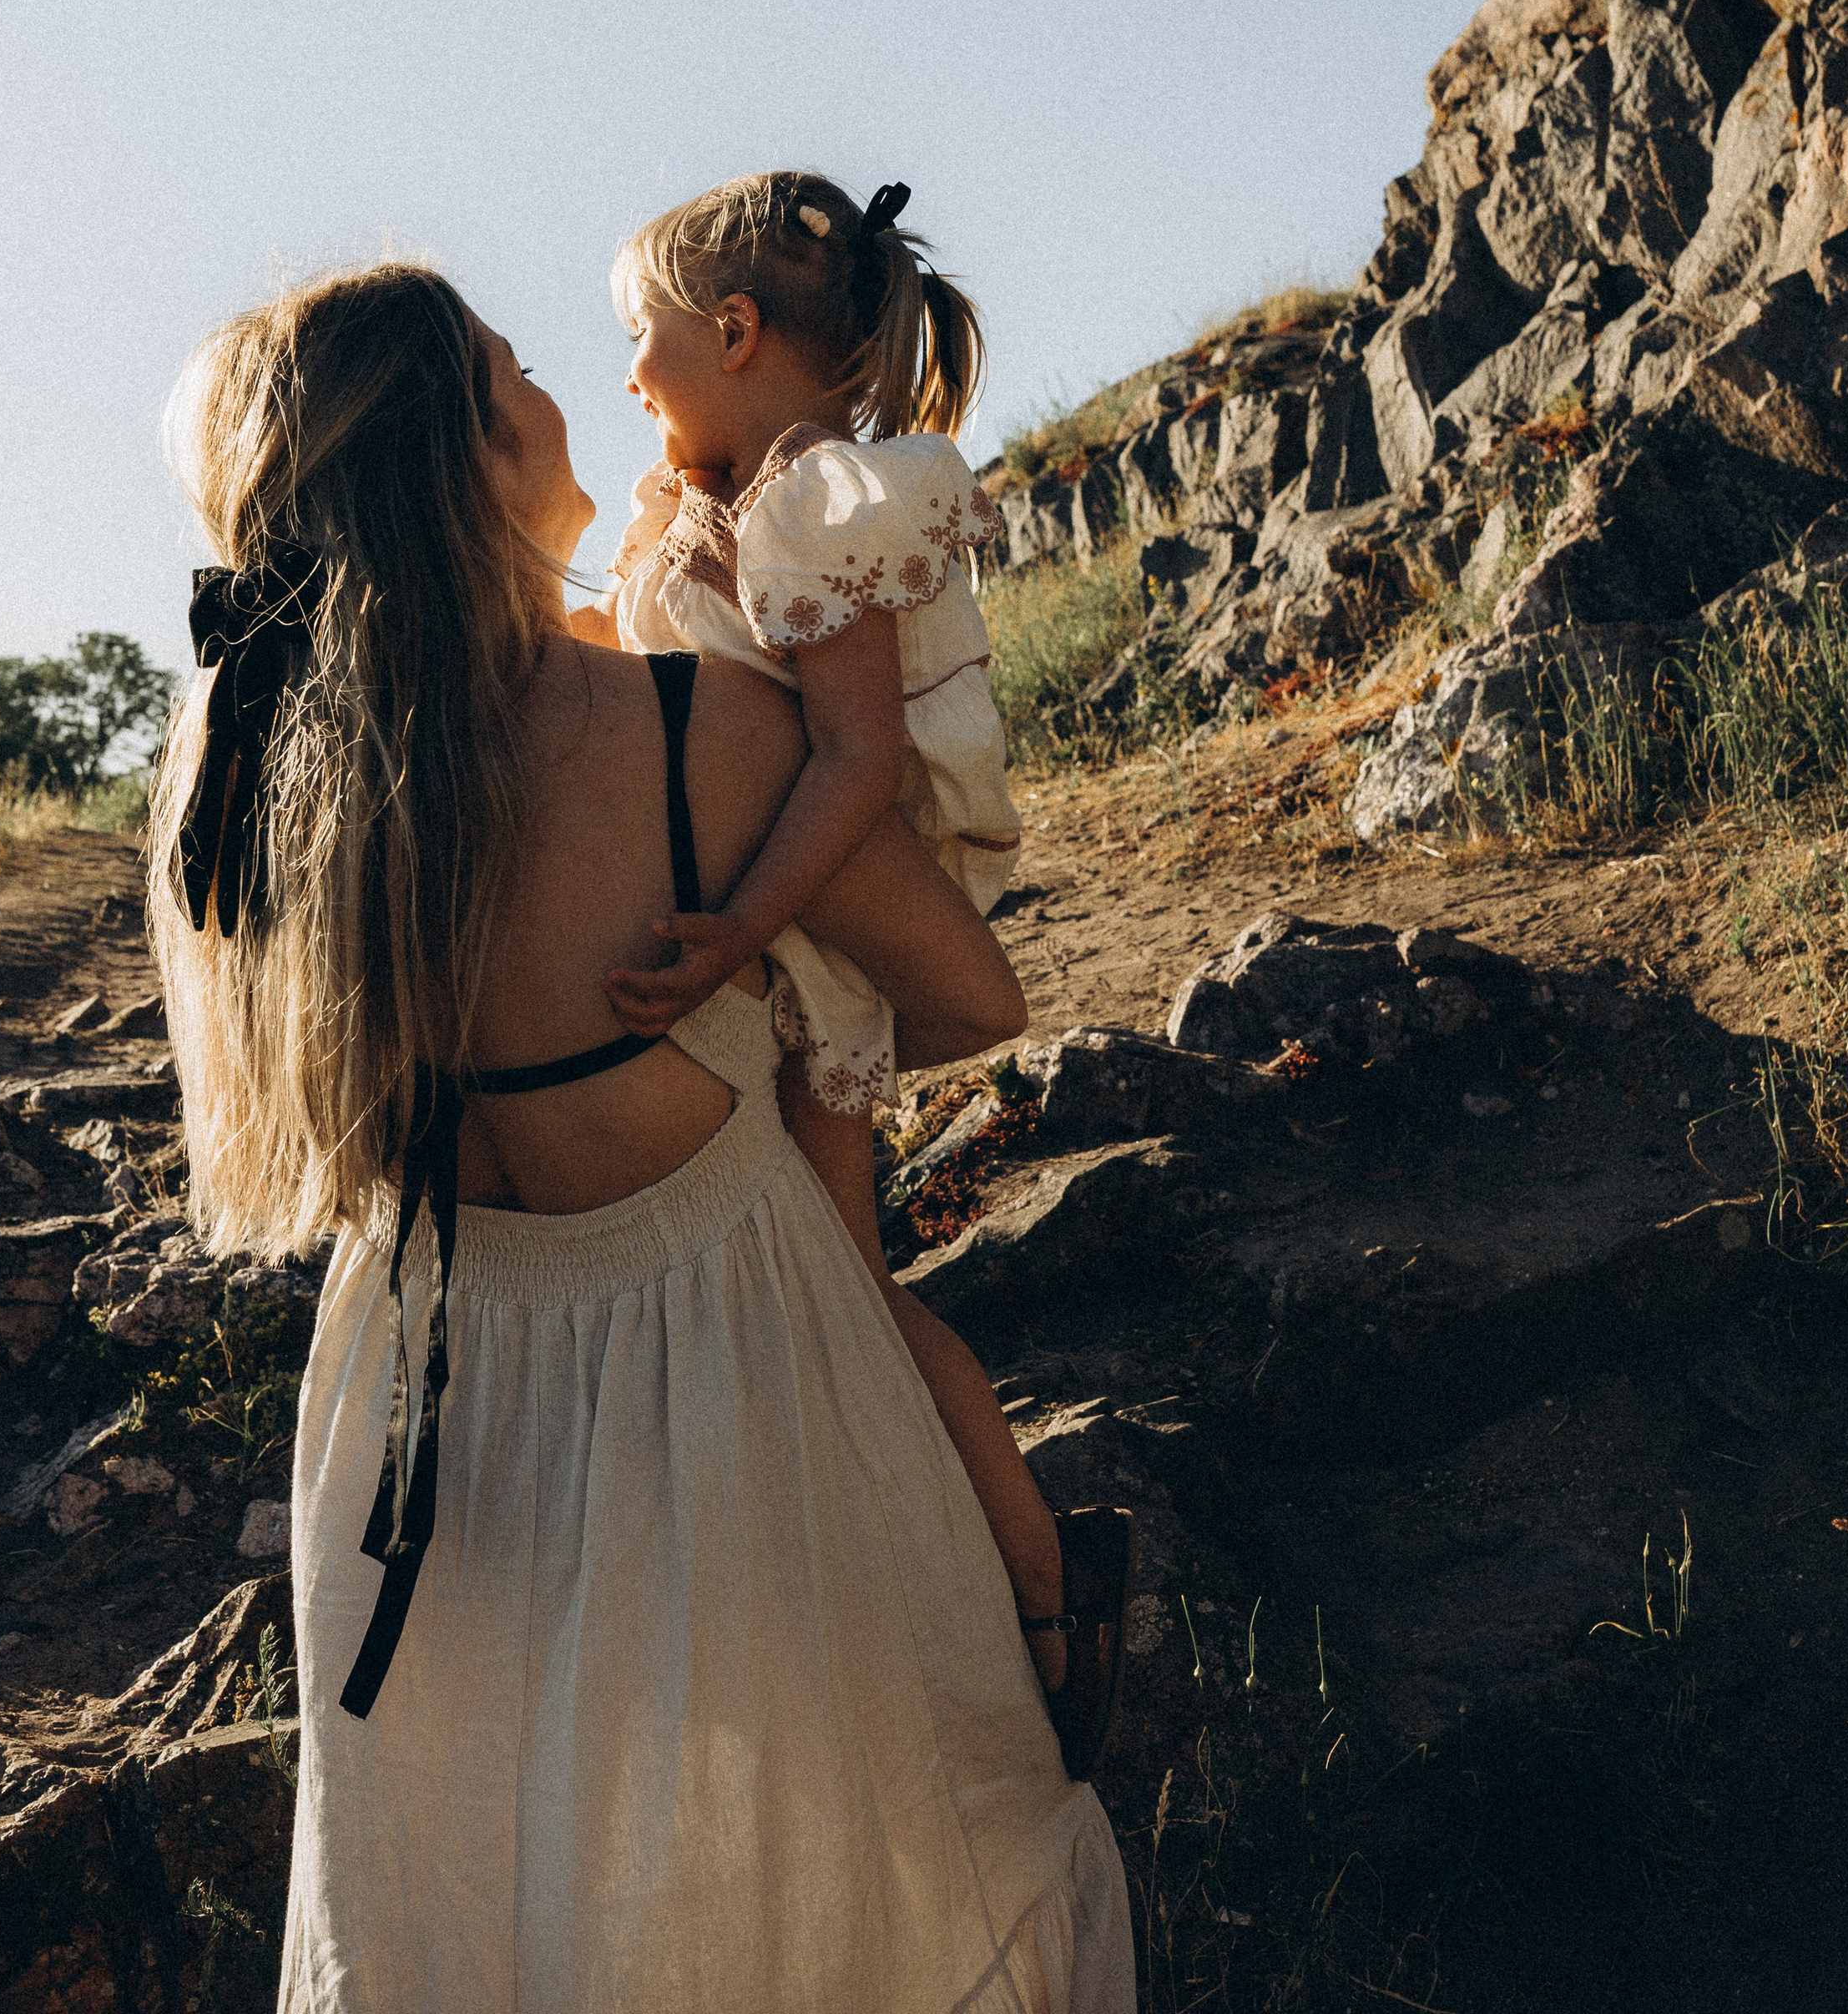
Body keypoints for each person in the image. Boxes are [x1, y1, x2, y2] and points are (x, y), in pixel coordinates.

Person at [147, 262, 1137, 2014]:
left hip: (416, 1405)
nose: (562, 393)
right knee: (860, 1889)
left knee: (485, 1910)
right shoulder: (695, 731)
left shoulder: (260, 786)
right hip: (720, 1365)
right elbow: (971, 998)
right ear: (464, 451)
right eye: (518, 371)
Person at [572, 169, 1112, 1710]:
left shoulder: (816, 500)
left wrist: (745, 920)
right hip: (769, 936)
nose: (626, 377)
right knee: (823, 1286)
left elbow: (855, 758)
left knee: (850, 1290)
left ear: (734, 331)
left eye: (643, 339)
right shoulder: (719, 500)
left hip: (811, 944)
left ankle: (1045, 1594)